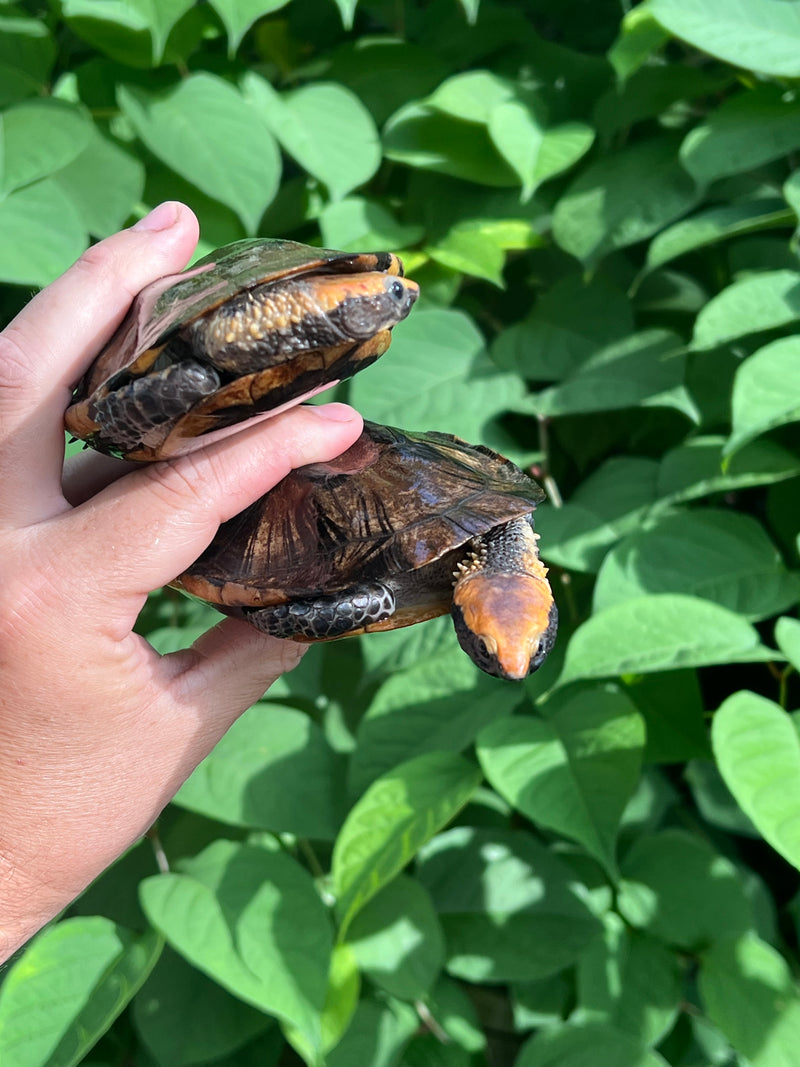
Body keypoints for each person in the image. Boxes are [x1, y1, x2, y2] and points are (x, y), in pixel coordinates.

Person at [0, 202, 364, 963]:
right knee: (196, 374)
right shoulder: (239, 326)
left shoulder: (343, 306)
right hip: (167, 377)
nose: (380, 304)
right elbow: (191, 359)